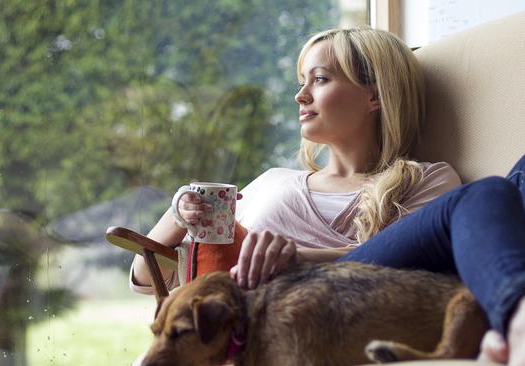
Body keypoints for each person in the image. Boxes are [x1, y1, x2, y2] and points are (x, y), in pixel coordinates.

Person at [130, 26, 525, 363]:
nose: (301, 96)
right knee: (490, 192)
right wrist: (180, 211)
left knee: (492, 191)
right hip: (253, 314)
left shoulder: (423, 179)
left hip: (350, 287)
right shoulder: (271, 181)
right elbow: (149, 275)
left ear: (376, 96)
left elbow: (421, 273)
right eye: (301, 83)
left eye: (319, 79)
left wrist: (297, 258)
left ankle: (516, 320)